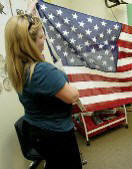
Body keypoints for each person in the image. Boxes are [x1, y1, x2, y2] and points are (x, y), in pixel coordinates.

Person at [4, 1, 82, 169]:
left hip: (35, 129)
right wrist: (76, 87)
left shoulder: (18, 65)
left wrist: (31, 12)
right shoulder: (41, 71)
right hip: (56, 134)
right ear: (29, 43)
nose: (44, 38)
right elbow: (72, 96)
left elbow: (20, 31)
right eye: (41, 36)